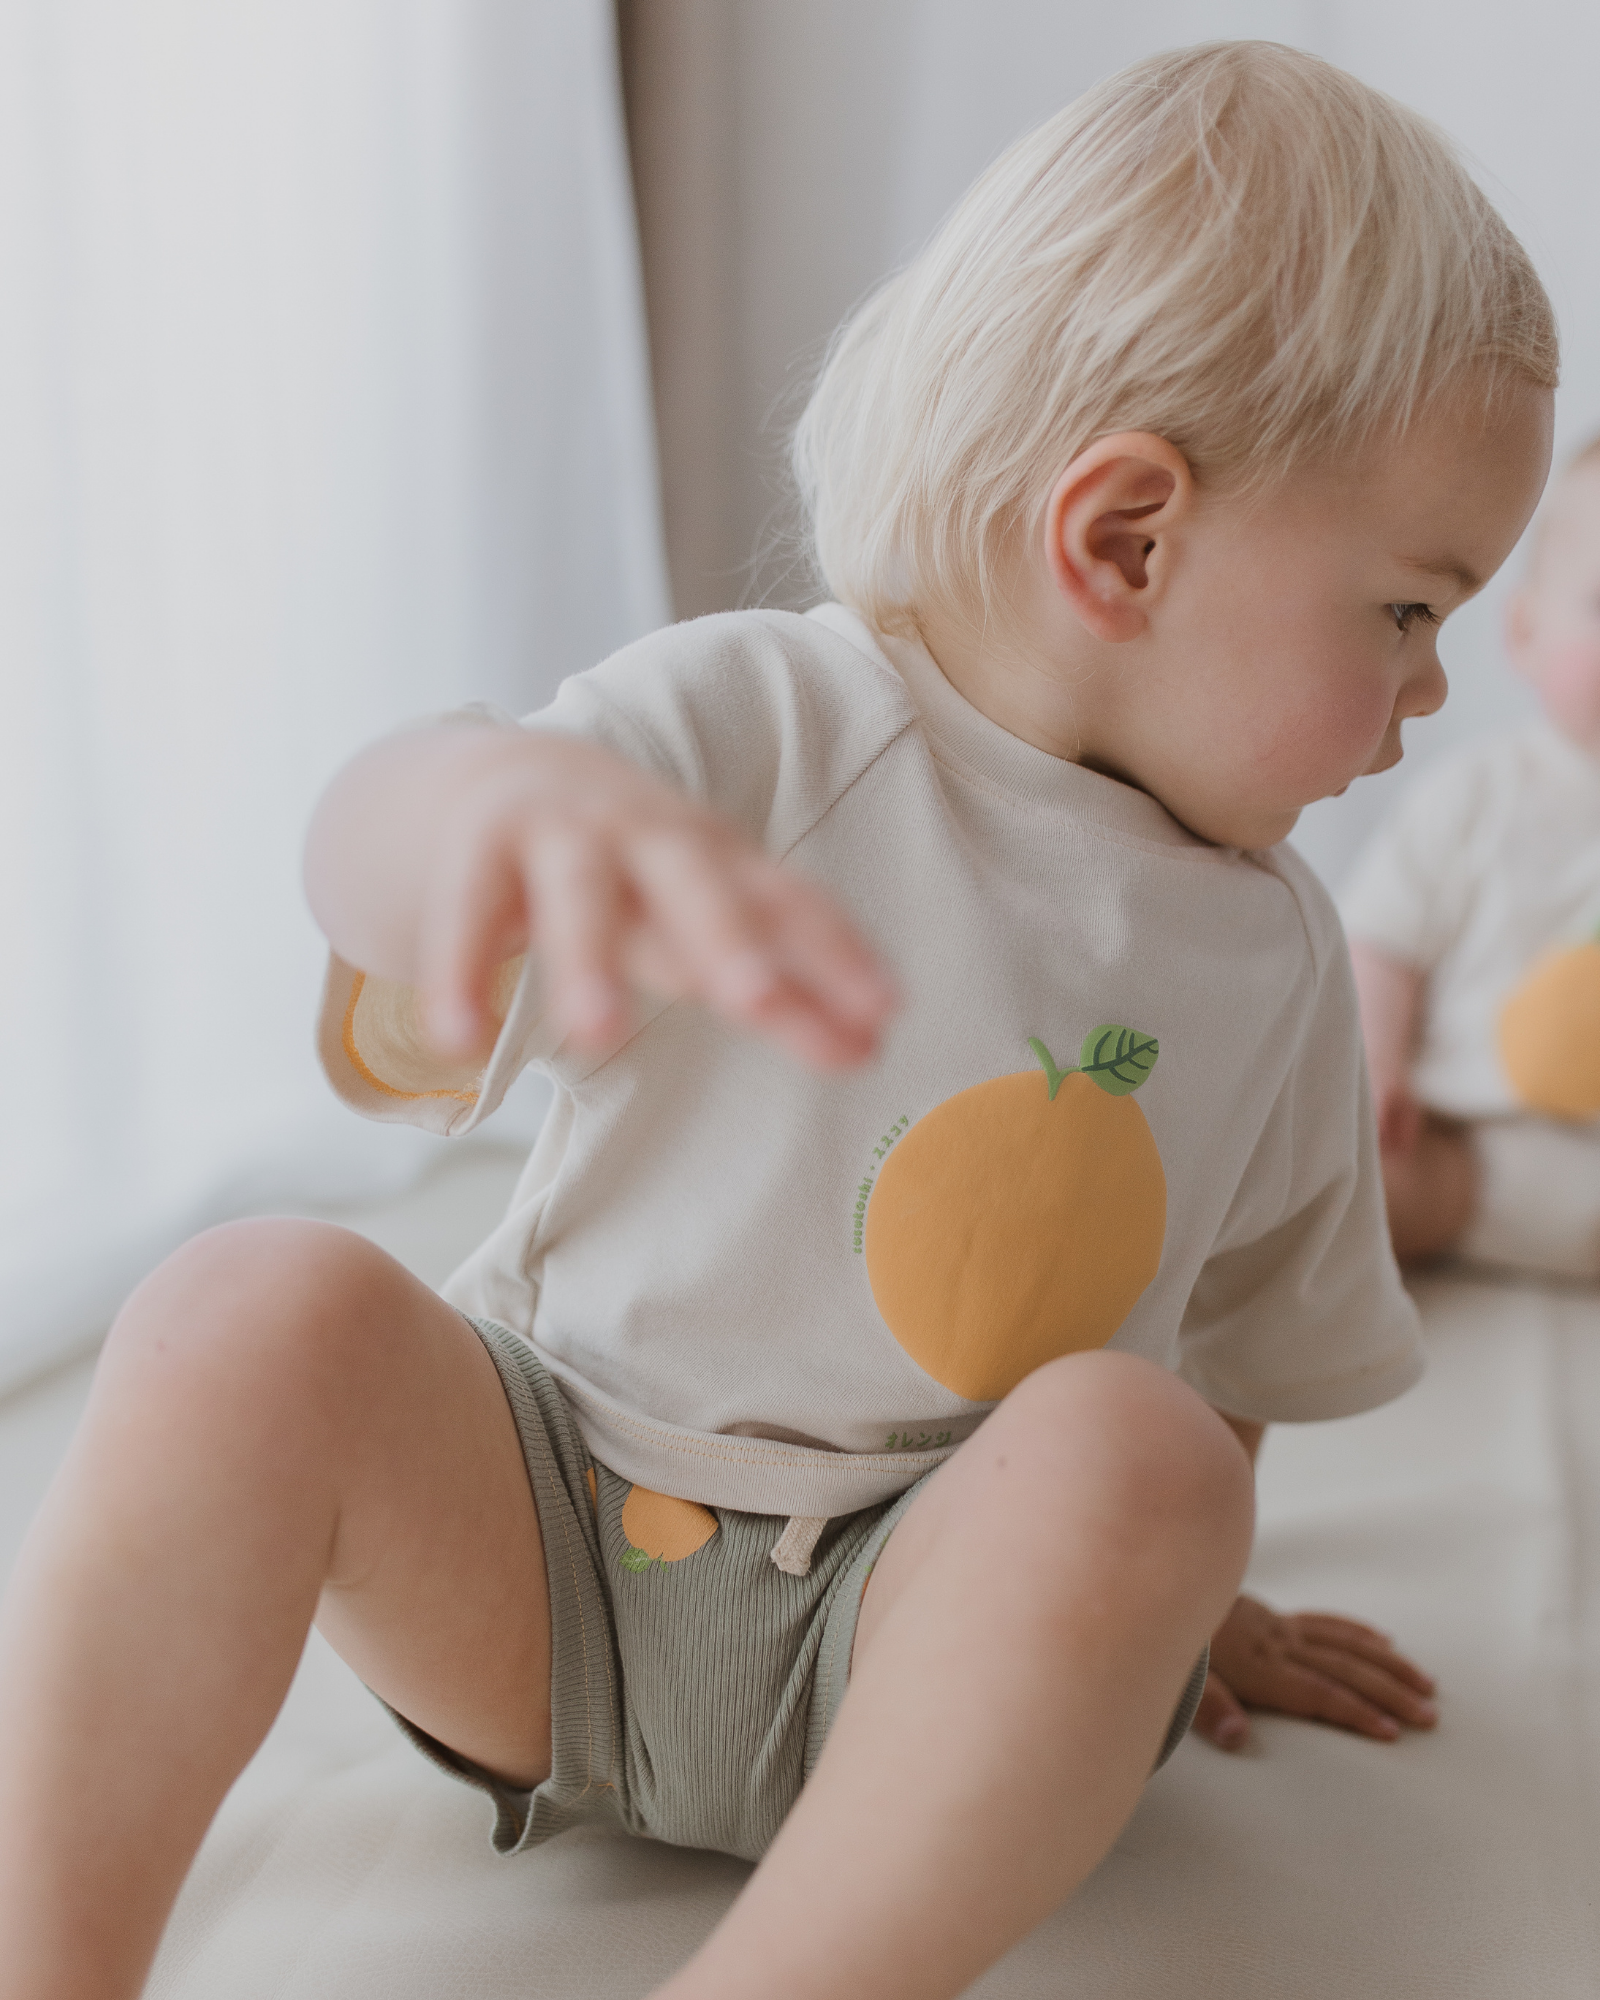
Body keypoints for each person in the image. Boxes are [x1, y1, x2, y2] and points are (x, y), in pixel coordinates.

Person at [0, 40, 1556, 2000]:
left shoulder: (1275, 954)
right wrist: (466, 815)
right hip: (551, 1553)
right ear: (1125, 541)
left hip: (904, 1648)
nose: (1424, 698)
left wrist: (1166, 1599)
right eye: (1406, 613)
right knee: (243, 1312)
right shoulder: (761, 723)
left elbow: (1225, 1349)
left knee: (1136, 1462)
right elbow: (387, 928)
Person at [1346, 439, 1600, 1275]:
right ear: (1525, 633)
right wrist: (1378, 1061)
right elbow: (1383, 939)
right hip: (1453, 1148)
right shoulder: (1480, 794)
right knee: (1354, 1179)